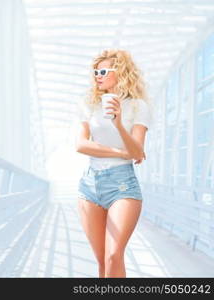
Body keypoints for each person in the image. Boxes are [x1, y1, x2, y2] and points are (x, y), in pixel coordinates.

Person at [76, 49, 153, 278]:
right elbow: (80, 145)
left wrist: (119, 124)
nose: (97, 76)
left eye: (102, 71)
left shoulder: (138, 106)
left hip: (123, 185)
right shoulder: (89, 103)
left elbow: (138, 150)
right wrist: (121, 152)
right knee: (102, 262)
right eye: (94, 72)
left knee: (113, 256)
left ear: (119, 72)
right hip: (89, 185)